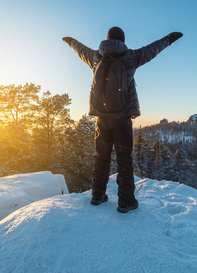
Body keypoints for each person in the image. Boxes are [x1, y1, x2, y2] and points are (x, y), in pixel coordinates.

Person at [63, 27, 183, 213]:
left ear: (107, 39)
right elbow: (154, 48)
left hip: (102, 118)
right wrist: (170, 38)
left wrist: (70, 41)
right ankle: (126, 202)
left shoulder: (96, 57)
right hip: (123, 118)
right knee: (124, 160)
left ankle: (97, 195)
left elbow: (80, 50)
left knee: (101, 157)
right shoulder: (130, 57)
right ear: (123, 40)